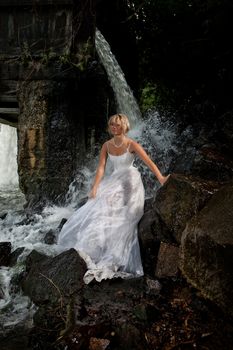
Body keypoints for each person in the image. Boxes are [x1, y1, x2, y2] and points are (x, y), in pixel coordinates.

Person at [57, 113, 170, 284]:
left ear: (124, 126)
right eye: (112, 125)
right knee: (99, 206)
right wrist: (94, 187)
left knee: (126, 217)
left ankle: (115, 253)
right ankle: (97, 248)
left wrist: (161, 178)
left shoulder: (132, 144)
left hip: (131, 181)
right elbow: (101, 168)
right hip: (115, 179)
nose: (114, 128)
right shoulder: (107, 146)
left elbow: (149, 162)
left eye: (117, 125)